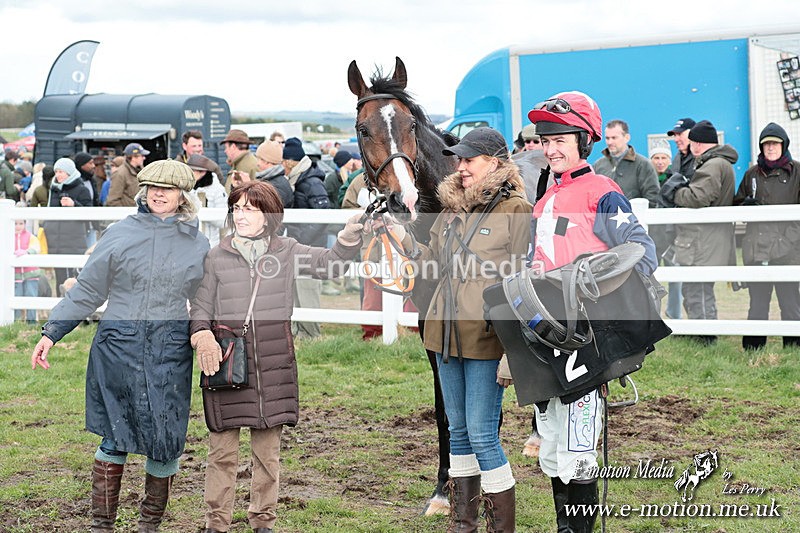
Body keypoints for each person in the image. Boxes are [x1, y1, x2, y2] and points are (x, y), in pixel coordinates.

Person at [30, 160, 210, 532]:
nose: (159, 194)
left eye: (168, 189)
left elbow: (207, 299)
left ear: (182, 195)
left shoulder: (197, 243)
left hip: (169, 352)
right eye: (153, 188)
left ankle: (149, 526)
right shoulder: (119, 234)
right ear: (144, 191)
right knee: (115, 435)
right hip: (119, 348)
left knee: (165, 438)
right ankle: (102, 526)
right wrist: (51, 332)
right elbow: (88, 291)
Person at [190, 181, 364, 533]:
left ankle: (263, 521)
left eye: (249, 210)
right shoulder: (216, 255)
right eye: (236, 209)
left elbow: (330, 266)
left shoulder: (287, 250)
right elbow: (202, 305)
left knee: (267, 455)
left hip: (273, 366)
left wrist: (346, 238)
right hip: (227, 364)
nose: (241, 216)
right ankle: (216, 523)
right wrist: (201, 334)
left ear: (268, 216)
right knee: (221, 452)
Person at [527, 91, 660, 533]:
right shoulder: (543, 202)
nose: (550, 149)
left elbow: (640, 251)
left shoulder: (603, 191)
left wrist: (590, 281)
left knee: (578, 450)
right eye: (545, 141)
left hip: (587, 343)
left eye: (560, 139)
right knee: (550, 448)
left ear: (585, 139)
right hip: (547, 341)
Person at [386, 127, 530, 530]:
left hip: (487, 339)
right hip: (444, 333)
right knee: (459, 431)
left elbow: (521, 280)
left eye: (469, 159)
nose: (460, 166)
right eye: (459, 159)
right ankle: (462, 523)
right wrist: (403, 239)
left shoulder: (515, 209)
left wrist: (512, 351)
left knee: (484, 434)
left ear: (495, 163)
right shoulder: (450, 208)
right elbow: (431, 259)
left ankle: (501, 526)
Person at [660, 120, 736, 345]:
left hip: (703, 240)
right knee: (696, 289)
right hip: (705, 238)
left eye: (692, 141)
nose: (689, 146)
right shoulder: (716, 163)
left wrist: (675, 192)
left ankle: (705, 336)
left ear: (699, 144)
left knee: (698, 290)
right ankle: (701, 332)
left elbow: (697, 198)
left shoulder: (712, 165)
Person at [733, 122, 800, 350]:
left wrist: (787, 241)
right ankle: (753, 349)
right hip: (757, 249)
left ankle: (793, 348)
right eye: (766, 144)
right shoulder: (752, 173)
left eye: (774, 143)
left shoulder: (797, 173)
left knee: (790, 304)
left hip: (788, 252)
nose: (770, 148)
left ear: (784, 145)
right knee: (757, 304)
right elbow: (737, 204)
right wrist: (745, 205)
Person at [282, 137, 331, 339]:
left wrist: (301, 241)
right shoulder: (300, 180)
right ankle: (302, 332)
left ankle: (312, 334)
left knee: (307, 290)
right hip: (301, 245)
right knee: (298, 290)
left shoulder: (311, 182)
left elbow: (323, 214)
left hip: (310, 247)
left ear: (289, 162)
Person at [44, 158, 92, 294]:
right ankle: (60, 305)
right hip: (55, 239)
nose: (58, 175)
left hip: (74, 239)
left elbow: (90, 213)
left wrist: (74, 205)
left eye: (61, 172)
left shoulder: (82, 190)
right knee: (59, 276)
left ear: (70, 173)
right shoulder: (53, 189)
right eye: (56, 172)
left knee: (75, 275)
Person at [649, 142, 683, 319]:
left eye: (663, 158)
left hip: (670, 237)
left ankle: (674, 313)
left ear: (669, 160)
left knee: (675, 278)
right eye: (656, 158)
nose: (660, 161)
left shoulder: (676, 179)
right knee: (650, 279)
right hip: (651, 237)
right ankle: (653, 314)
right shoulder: (647, 178)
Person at [594, 119, 660, 206]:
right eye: (607, 138)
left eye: (614, 138)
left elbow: (653, 197)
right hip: (604, 218)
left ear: (627, 137)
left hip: (634, 218)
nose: (610, 142)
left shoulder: (643, 165)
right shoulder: (598, 165)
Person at [187, 154, 228, 248]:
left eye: (192, 171)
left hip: (210, 242)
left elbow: (223, 221)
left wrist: (205, 213)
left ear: (202, 172)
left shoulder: (217, 190)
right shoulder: (188, 187)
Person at [14, 219, 41, 322]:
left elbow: (37, 248)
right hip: (15, 275)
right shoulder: (7, 237)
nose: (18, 226)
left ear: (25, 224)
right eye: (15, 223)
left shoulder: (31, 237)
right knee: (16, 297)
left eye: (21, 223)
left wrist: (27, 252)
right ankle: (15, 322)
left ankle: (31, 321)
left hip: (31, 273)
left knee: (31, 296)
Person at [254, 140, 294, 208]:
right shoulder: (270, 180)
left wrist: (247, 189)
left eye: (259, 159)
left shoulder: (278, 186)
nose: (257, 163)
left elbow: (262, 208)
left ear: (266, 161)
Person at [221, 129, 258, 193]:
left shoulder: (247, 166)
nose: (225, 151)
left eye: (226, 147)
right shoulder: (240, 163)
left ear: (233, 147)